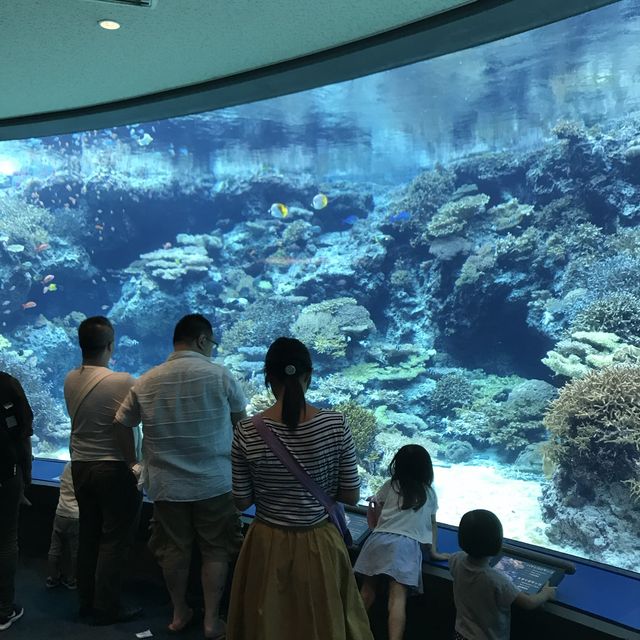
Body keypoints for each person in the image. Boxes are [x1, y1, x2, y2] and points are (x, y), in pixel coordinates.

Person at [227, 336, 374, 640]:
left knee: (268, 623)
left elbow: (241, 501)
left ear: (268, 377)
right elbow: (350, 495)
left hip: (266, 543)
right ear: (309, 375)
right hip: (319, 542)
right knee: (320, 622)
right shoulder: (336, 424)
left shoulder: (246, 430)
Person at [114, 313, 247, 639]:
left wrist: (133, 461)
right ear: (202, 340)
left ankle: (178, 612)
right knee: (216, 549)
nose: (213, 350)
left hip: (166, 484)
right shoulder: (220, 376)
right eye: (212, 343)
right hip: (215, 482)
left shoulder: (146, 380)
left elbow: (123, 422)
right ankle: (211, 620)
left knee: (173, 550)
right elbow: (242, 426)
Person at [64, 315, 142, 625]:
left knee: (89, 536)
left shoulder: (70, 379)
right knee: (114, 539)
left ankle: (86, 601)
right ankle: (108, 606)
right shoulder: (123, 381)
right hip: (112, 467)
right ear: (110, 346)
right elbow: (132, 421)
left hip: (80, 467)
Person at [354, 444, 449, 640]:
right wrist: (434, 552)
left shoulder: (390, 484)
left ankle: (351, 633)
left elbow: (378, 516)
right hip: (406, 547)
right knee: (397, 600)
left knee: (366, 592)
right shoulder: (429, 493)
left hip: (378, 540)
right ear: (426, 469)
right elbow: (432, 524)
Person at [449, 509, 556, 640]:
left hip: (460, 634)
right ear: (497, 543)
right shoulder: (496, 580)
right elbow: (528, 603)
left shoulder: (455, 559)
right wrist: (545, 593)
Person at [0, 371, 33, 631]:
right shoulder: (6, 384)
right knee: (6, 539)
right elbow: (24, 432)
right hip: (4, 474)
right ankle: (3, 610)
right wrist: (27, 477)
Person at [46, 461, 79, 590]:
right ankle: (72, 579)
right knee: (75, 551)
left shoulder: (67, 466)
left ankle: (51, 578)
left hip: (60, 512)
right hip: (76, 515)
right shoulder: (85, 468)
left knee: (54, 548)